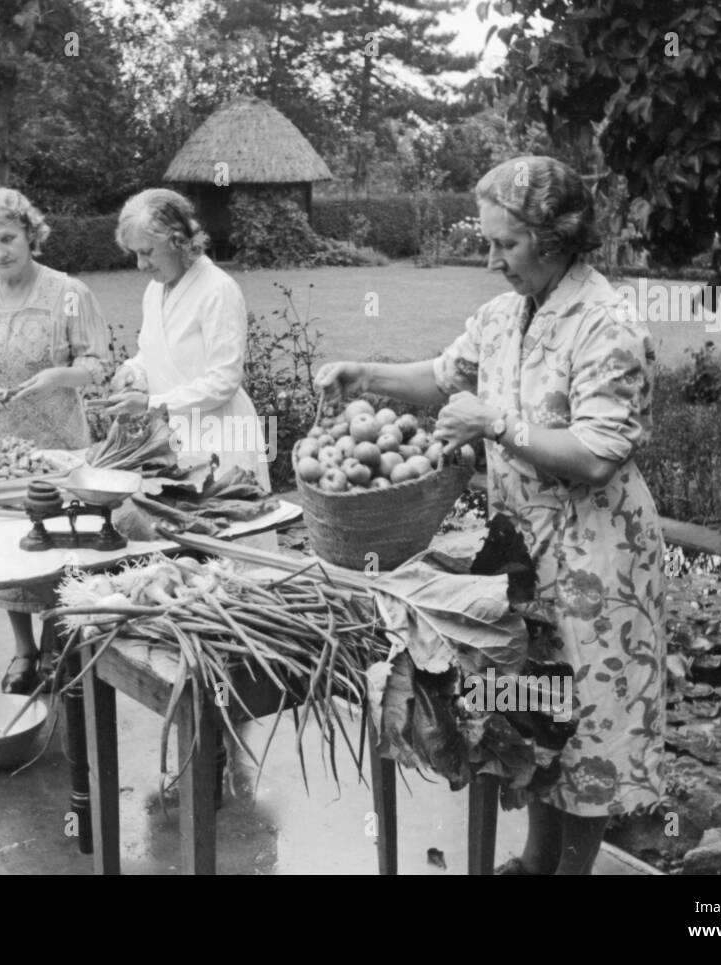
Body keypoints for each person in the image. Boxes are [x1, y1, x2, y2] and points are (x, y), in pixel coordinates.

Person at [316, 156, 666, 875]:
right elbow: (444, 375)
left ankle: (563, 874)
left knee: (590, 728)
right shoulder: (505, 315)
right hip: (522, 553)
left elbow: (600, 452)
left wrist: (499, 425)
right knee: (538, 711)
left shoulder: (607, 323)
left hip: (597, 560)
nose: (490, 258)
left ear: (555, 235)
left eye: (504, 244)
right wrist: (366, 372)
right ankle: (538, 862)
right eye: (489, 240)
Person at [0, 187, 111, 693]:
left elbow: (96, 366)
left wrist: (59, 376)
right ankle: (24, 651)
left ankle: (59, 644)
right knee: (7, 550)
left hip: (60, 445)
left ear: (31, 234)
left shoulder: (69, 293)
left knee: (60, 547)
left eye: (8, 239)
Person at [104, 188, 272, 493]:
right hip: (172, 437)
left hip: (221, 435)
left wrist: (151, 404)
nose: (140, 265)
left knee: (229, 527)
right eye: (135, 254)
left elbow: (224, 380)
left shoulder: (217, 289)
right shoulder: (155, 290)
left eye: (147, 252)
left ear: (178, 241)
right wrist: (132, 371)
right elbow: (151, 352)